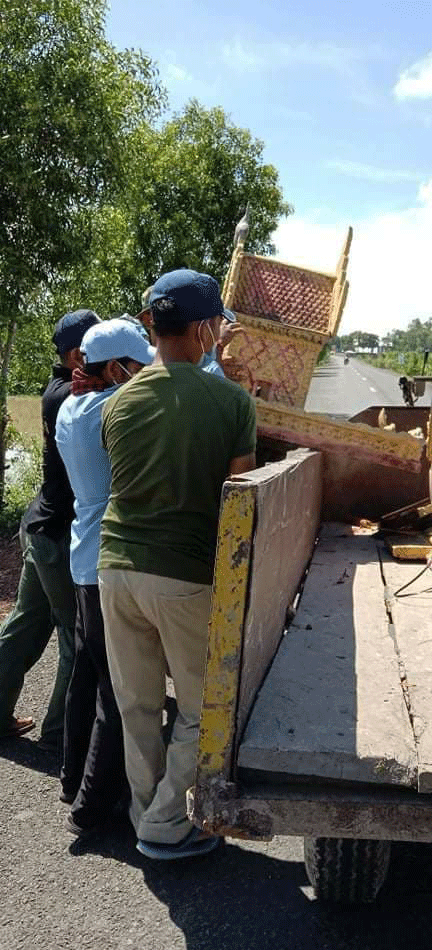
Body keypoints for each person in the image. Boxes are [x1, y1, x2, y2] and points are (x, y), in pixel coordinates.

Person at [98, 268, 256, 860]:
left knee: (136, 703)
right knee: (199, 707)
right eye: (215, 324)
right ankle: (165, 826)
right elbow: (237, 501)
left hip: (115, 568)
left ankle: (147, 812)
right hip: (185, 574)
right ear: (202, 328)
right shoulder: (232, 401)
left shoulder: (118, 401)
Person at [55, 319, 154, 837]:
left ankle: (72, 778)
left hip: (82, 559)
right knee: (118, 691)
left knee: (87, 674)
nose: (146, 375)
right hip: (105, 561)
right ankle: (91, 809)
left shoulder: (72, 407)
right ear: (116, 370)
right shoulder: (114, 407)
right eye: (139, 367)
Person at [0, 309, 100, 749]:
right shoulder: (68, 396)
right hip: (57, 536)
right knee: (75, 635)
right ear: (78, 354)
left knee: (25, 626)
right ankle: (60, 733)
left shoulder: (58, 389)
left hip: (41, 527)